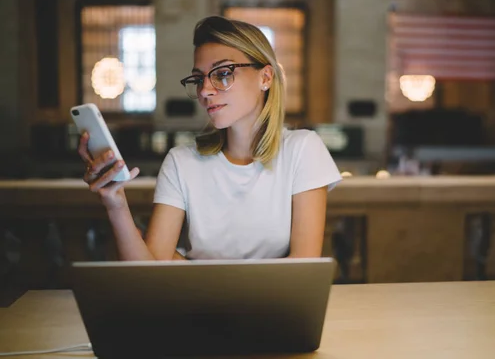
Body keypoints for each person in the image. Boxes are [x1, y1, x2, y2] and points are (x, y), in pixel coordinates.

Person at [77, 16, 342, 261]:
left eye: (223, 73)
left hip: (274, 308)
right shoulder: (181, 162)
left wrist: (190, 271)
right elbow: (151, 272)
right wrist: (116, 204)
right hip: (195, 308)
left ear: (266, 77)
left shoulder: (303, 150)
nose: (205, 90)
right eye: (199, 78)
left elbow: (302, 267)